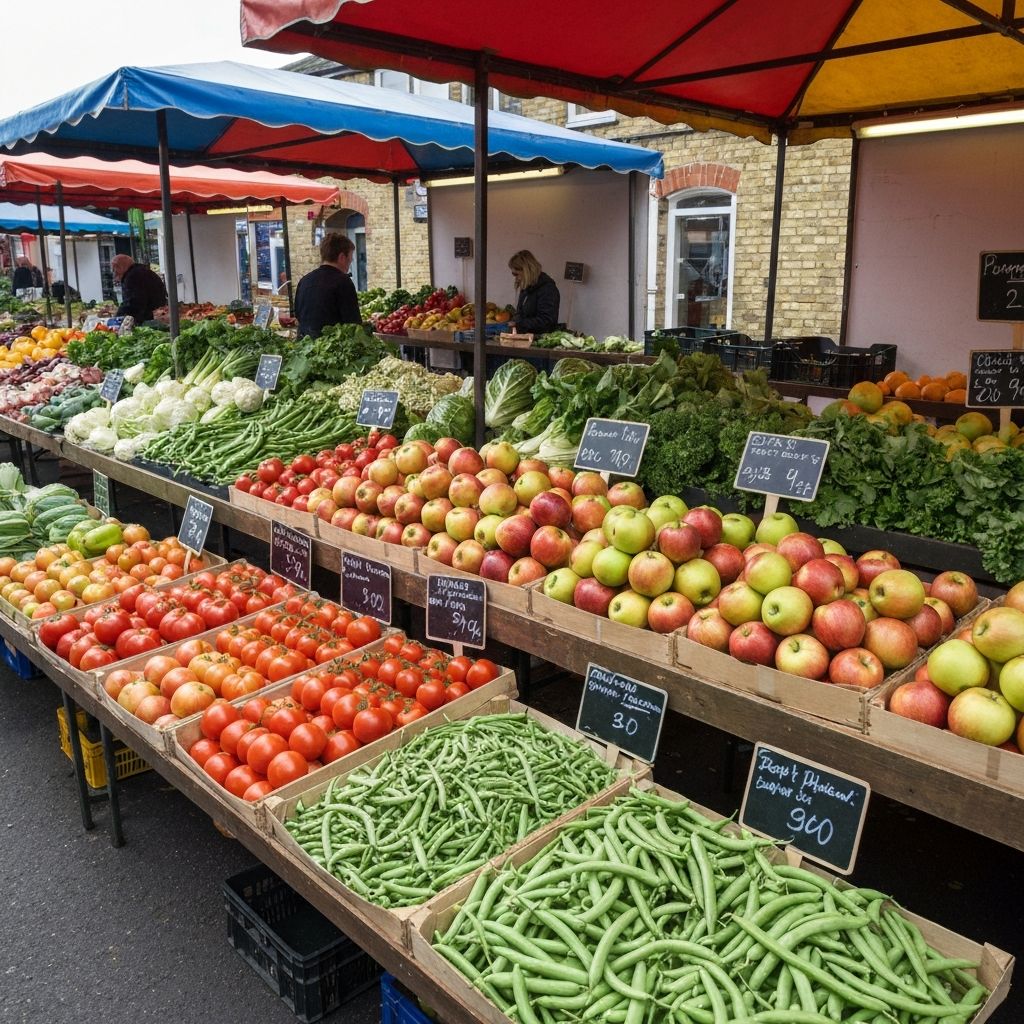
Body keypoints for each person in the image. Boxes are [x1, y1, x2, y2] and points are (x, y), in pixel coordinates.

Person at [293, 232, 360, 339]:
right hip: (332, 348)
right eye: (350, 260)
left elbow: (298, 317)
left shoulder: (305, 280)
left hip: (305, 346)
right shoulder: (343, 282)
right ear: (342, 257)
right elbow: (353, 325)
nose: (349, 264)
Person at [508, 249, 560, 335]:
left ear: (526, 271)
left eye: (516, 274)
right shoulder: (527, 287)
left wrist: (519, 324)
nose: (516, 278)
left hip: (538, 339)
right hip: (525, 336)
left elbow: (547, 320)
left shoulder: (547, 289)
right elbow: (521, 312)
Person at [112, 254, 168, 322]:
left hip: (149, 320)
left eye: (114, 268)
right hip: (159, 315)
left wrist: (117, 318)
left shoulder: (132, 277)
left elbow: (132, 305)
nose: (114, 272)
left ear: (119, 266)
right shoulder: (146, 271)